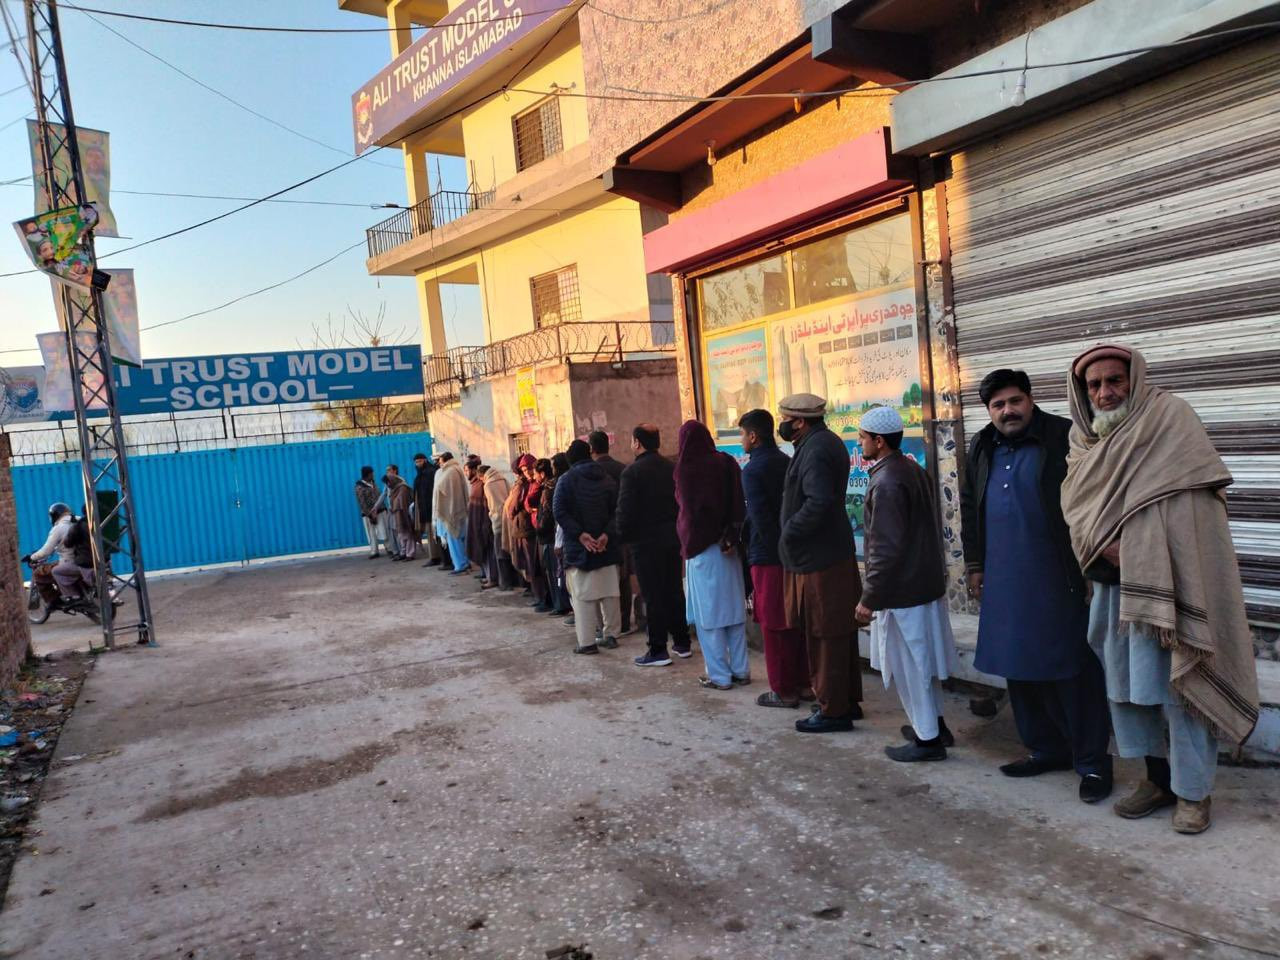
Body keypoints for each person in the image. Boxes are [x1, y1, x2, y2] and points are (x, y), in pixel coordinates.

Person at [1062, 344, 1259, 835]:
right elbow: (1077, 509)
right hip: (1113, 591)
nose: (1106, 393)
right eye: (1095, 385)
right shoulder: (1081, 440)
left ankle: (1194, 794)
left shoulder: (1171, 418)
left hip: (1173, 584)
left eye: (1115, 380)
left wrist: (1150, 551)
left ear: (1136, 378)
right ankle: (1156, 781)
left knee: (1181, 687)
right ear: (1083, 393)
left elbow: (1198, 508)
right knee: (1127, 691)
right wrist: (1102, 545)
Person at [961, 368, 1112, 803]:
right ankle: (1046, 749)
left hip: (1057, 574)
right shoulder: (982, 445)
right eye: (998, 405)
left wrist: (1089, 566)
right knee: (1018, 667)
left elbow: (1092, 502)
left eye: (1015, 401)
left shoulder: (1064, 436)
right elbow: (970, 504)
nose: (1007, 411)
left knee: (1072, 670)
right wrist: (975, 565)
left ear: (1030, 400)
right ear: (988, 411)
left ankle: (1093, 764)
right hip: (1004, 578)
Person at [855, 406, 958, 761]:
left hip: (904, 594)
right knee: (923, 664)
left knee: (912, 667)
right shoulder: (908, 468)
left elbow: (885, 547)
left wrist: (869, 597)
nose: (860, 443)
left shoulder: (887, 481)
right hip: (922, 587)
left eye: (863, 437)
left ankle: (927, 740)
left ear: (879, 442)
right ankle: (934, 726)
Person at [777, 394, 863, 732]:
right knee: (836, 633)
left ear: (799, 421)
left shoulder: (816, 449)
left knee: (824, 635)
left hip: (820, 559)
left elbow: (819, 502)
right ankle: (845, 701)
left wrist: (790, 532)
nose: (781, 424)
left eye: (784, 418)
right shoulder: (819, 443)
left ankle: (832, 711)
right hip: (826, 554)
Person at [739, 409, 808, 707]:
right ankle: (804, 683)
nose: (742, 439)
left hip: (769, 556)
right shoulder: (786, 461)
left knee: (773, 623)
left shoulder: (753, 471)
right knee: (794, 621)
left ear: (753, 437)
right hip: (791, 553)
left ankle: (782, 689)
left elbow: (762, 519)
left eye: (742, 434)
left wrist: (776, 553)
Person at [674, 420, 748, 691]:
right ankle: (740, 670)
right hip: (728, 547)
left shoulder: (686, 469)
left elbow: (689, 513)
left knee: (710, 617)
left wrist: (691, 540)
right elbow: (738, 503)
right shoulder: (726, 462)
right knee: (734, 612)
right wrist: (731, 535)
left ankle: (719, 675)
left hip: (702, 550)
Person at [617, 423, 690, 667]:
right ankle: (682, 643)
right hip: (672, 538)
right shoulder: (671, 467)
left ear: (637, 443)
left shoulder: (632, 472)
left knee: (653, 595)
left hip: (645, 543)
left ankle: (658, 649)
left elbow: (625, 512)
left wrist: (624, 537)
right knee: (673, 590)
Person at [553, 439, 622, 654]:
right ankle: (611, 635)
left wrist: (580, 535)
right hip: (605, 547)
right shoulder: (607, 478)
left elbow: (559, 511)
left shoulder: (566, 480)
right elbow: (617, 511)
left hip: (579, 548)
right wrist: (605, 535)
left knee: (582, 596)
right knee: (610, 592)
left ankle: (587, 642)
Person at [589, 430, 634, 635]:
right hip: (623, 530)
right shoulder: (622, 468)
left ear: (592, 449)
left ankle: (605, 625)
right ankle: (624, 621)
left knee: (603, 581)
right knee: (623, 579)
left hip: (599, 534)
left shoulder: (591, 472)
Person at [513, 453, 550, 611]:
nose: (527, 472)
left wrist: (529, 507)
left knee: (540, 567)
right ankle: (539, 596)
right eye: (523, 469)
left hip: (536, 529)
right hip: (528, 528)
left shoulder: (540, 484)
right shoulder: (525, 483)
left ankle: (545, 598)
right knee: (532, 565)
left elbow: (529, 503)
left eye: (529, 468)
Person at [537, 458, 572, 616]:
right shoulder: (564, 482)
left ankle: (561, 605)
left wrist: (540, 528)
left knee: (556, 572)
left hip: (553, 536)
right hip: (558, 535)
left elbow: (550, 513)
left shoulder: (551, 487)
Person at [432, 452, 470, 574]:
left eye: (440, 460)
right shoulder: (455, 469)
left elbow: (441, 489)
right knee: (460, 538)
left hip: (452, 510)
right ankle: (464, 562)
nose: (439, 463)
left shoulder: (450, 471)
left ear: (444, 460)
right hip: (458, 509)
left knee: (454, 539)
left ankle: (460, 565)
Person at [480, 464, 513, 589]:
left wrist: (492, 518)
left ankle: (505, 583)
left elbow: (493, 507)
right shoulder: (503, 479)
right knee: (508, 551)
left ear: (483, 476)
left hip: (498, 521)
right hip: (508, 519)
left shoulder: (488, 485)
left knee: (499, 553)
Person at [412, 453, 442, 567]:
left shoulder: (429, 473)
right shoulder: (422, 473)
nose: (417, 464)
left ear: (424, 460)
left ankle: (435, 557)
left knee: (432, 534)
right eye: (416, 462)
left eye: (419, 461)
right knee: (431, 534)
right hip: (425, 509)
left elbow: (430, 493)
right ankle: (436, 556)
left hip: (430, 509)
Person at [464, 455, 490, 577]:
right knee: (478, 547)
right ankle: (484, 573)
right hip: (475, 521)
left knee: (484, 549)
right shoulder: (474, 484)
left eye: (467, 470)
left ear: (474, 470)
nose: (466, 473)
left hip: (482, 522)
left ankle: (489, 576)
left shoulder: (480, 484)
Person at [385, 465, 416, 561]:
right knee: (401, 534)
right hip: (396, 513)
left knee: (407, 534)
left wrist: (394, 507)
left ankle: (410, 554)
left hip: (404, 513)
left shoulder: (402, 487)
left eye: (389, 482)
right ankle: (403, 552)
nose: (388, 485)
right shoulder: (394, 488)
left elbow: (402, 502)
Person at [355, 466, 381, 559]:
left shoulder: (373, 483)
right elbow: (362, 502)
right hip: (368, 514)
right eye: (372, 474)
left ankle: (389, 548)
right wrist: (370, 515)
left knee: (384, 531)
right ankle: (374, 551)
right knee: (371, 533)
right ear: (367, 474)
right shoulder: (359, 486)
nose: (373, 475)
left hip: (379, 511)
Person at [374, 476, 401, 559]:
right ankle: (396, 551)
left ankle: (402, 552)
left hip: (398, 511)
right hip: (391, 511)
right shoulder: (387, 485)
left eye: (389, 470)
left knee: (398, 532)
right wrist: (375, 507)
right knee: (391, 532)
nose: (388, 484)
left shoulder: (400, 485)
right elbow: (383, 495)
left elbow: (402, 499)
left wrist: (395, 507)